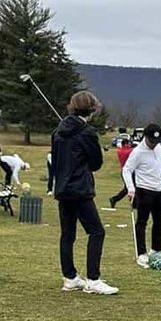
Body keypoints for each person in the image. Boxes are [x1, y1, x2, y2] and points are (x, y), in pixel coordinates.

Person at [51, 91, 118, 294]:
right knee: (97, 231)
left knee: (68, 234)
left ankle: (70, 277)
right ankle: (93, 279)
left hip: (63, 189)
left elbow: (55, 162)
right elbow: (96, 163)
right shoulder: (87, 132)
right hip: (79, 189)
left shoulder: (57, 132)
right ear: (91, 109)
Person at [122, 123, 161, 268]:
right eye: (151, 141)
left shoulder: (160, 149)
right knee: (142, 222)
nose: (153, 144)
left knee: (158, 222)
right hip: (144, 191)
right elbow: (127, 170)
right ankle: (141, 253)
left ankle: (156, 250)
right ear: (145, 137)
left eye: (156, 141)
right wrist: (131, 189)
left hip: (159, 191)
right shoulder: (138, 152)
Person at [108, 138, 136, 208]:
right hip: (129, 171)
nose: (129, 145)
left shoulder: (120, 151)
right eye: (128, 144)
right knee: (129, 188)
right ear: (125, 144)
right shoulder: (129, 151)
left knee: (130, 188)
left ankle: (134, 203)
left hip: (124, 170)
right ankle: (114, 199)